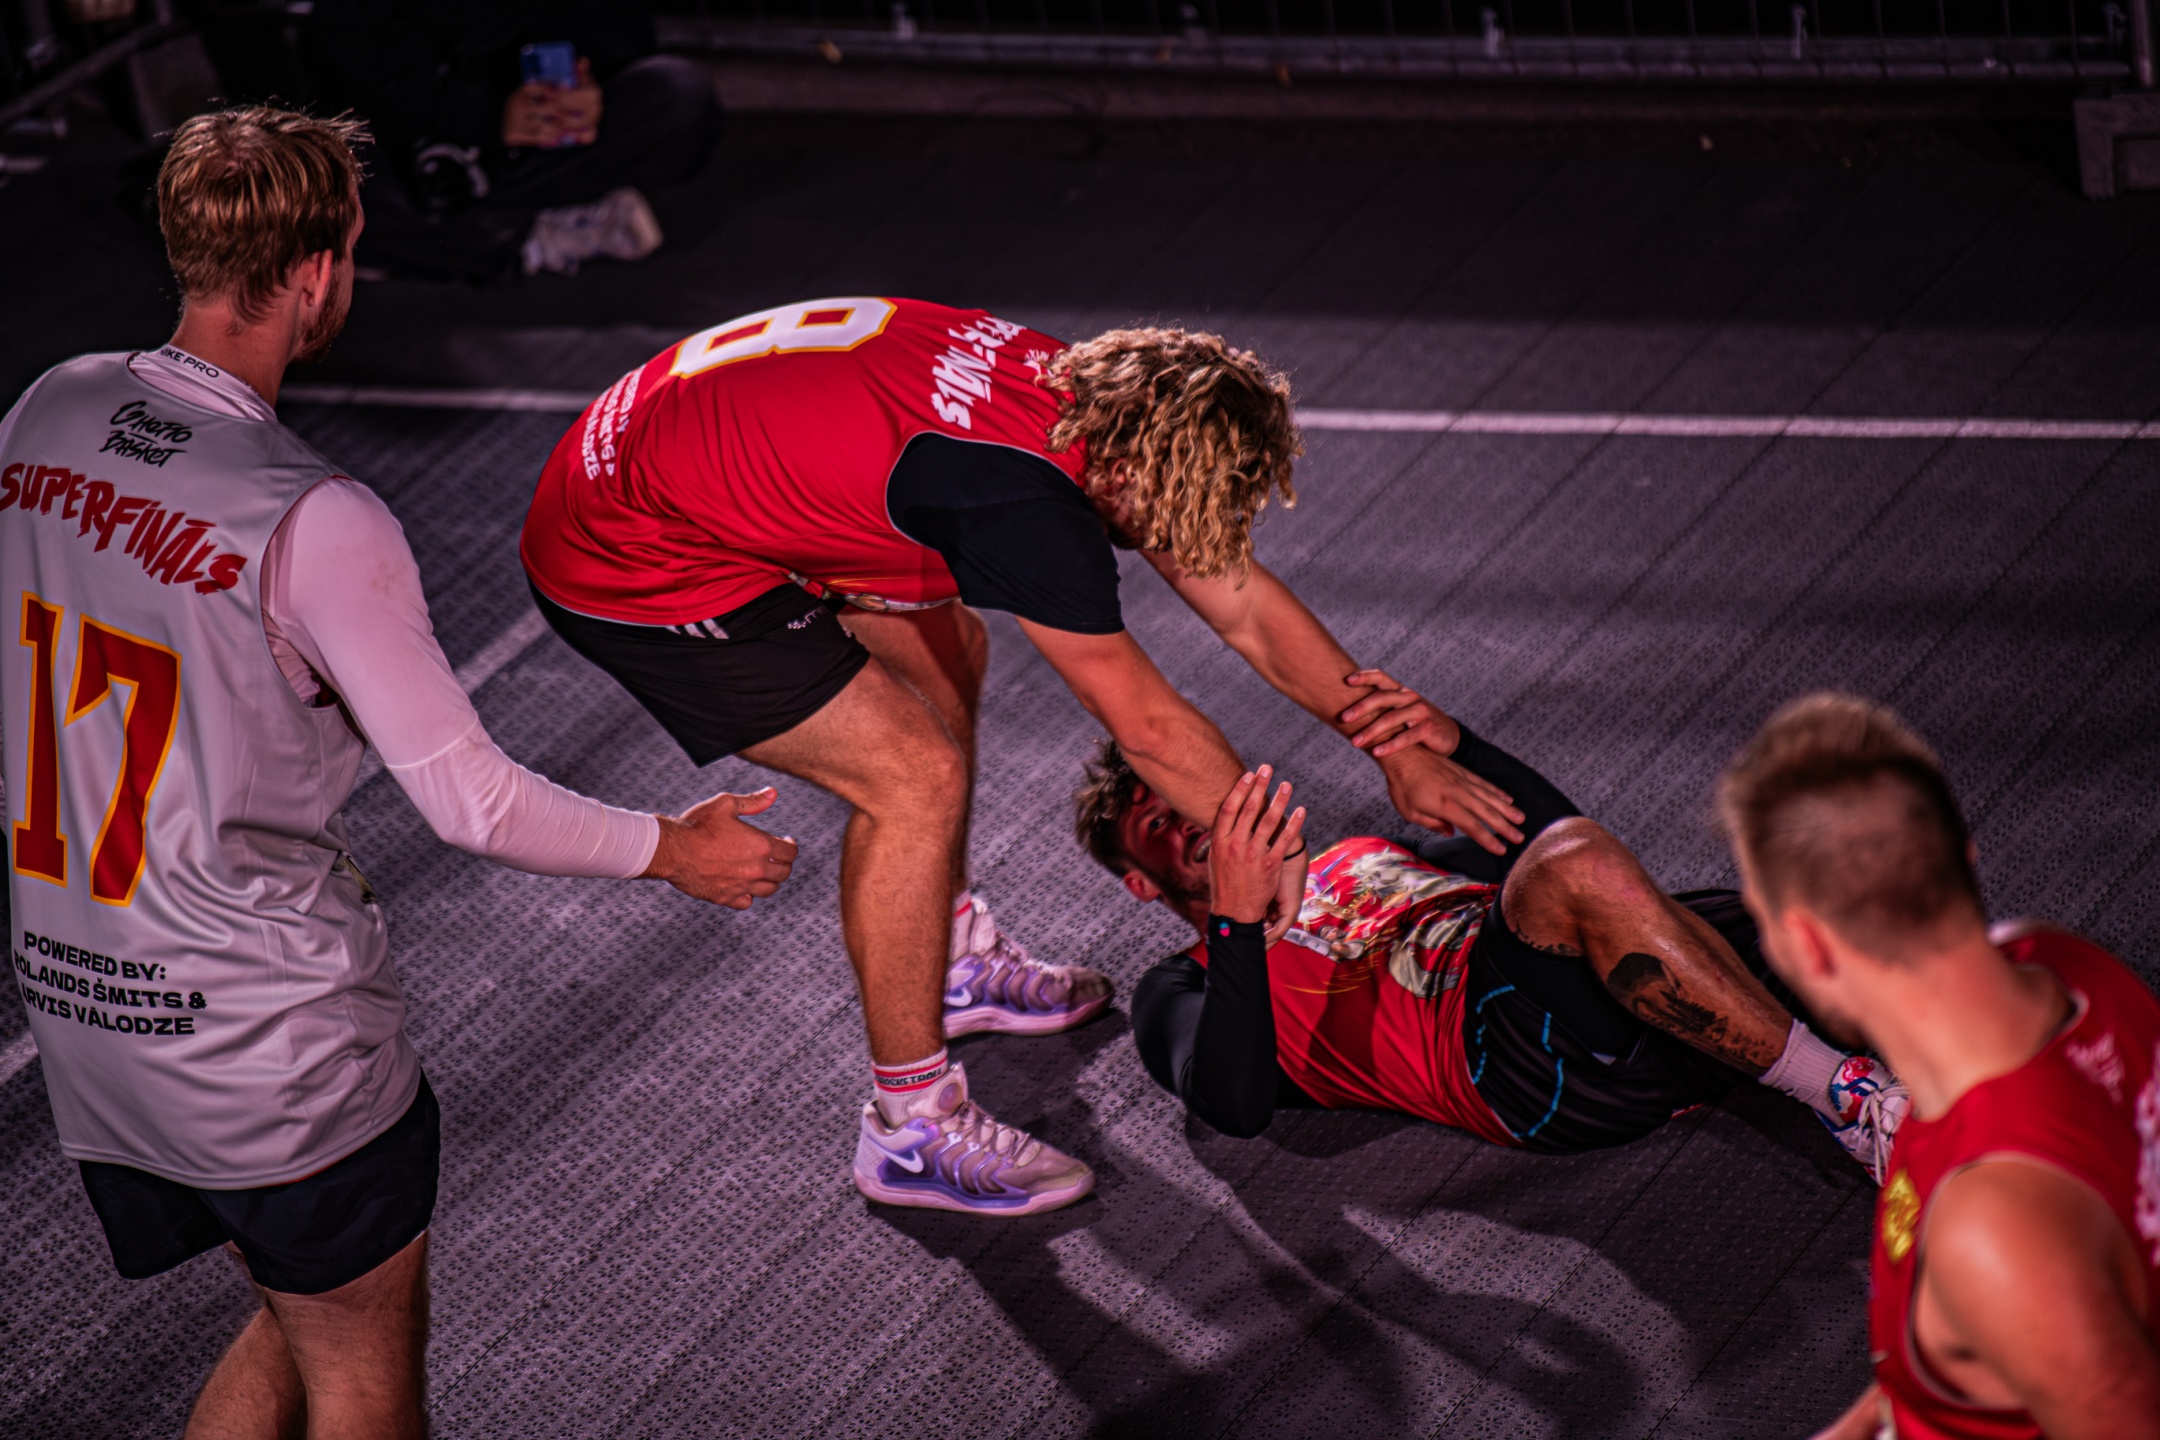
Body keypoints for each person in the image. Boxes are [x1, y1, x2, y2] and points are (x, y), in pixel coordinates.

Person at [0, 108, 792, 1439]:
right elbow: (471, 801)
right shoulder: (316, 517)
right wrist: (674, 846)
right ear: (317, 271)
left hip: (89, 1014)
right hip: (271, 1044)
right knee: (363, 1376)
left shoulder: (51, 408)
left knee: (299, 1311)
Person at [519, 297, 1527, 1216]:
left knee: (948, 644)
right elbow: (1148, 727)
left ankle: (948, 957)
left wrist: (1393, 743)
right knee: (913, 779)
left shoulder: (1084, 396)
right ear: (1140, 467)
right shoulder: (1023, 505)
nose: (1189, 537)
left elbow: (1245, 608)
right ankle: (909, 1129)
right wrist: (1276, 860)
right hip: (630, 553)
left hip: (670, 460)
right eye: (1180, 506)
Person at [1078, 708, 1907, 1170]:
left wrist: (1463, 749)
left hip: (1612, 996)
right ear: (1140, 883)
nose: (1181, 819)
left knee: (1816, 900)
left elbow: (1586, 858)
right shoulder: (1177, 986)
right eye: (1153, 824)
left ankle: (1957, 1063)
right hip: (1516, 1069)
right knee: (1572, 868)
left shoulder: (1362, 853)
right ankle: (1846, 1097)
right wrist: (1236, 920)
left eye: (1179, 798)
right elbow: (1234, 1107)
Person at [1719, 695, 2160, 1440]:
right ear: (1963, 858)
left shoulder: (1994, 1232)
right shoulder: (2064, 966)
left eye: (1758, 919)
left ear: (1809, 944)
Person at [304, 0, 722, 280]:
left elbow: (621, 27)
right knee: (323, 196)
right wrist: (485, 116)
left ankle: (465, 235)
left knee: (679, 97)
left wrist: (585, 85)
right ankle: (522, 240)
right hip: (406, 140)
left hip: (532, 139)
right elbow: (355, 58)